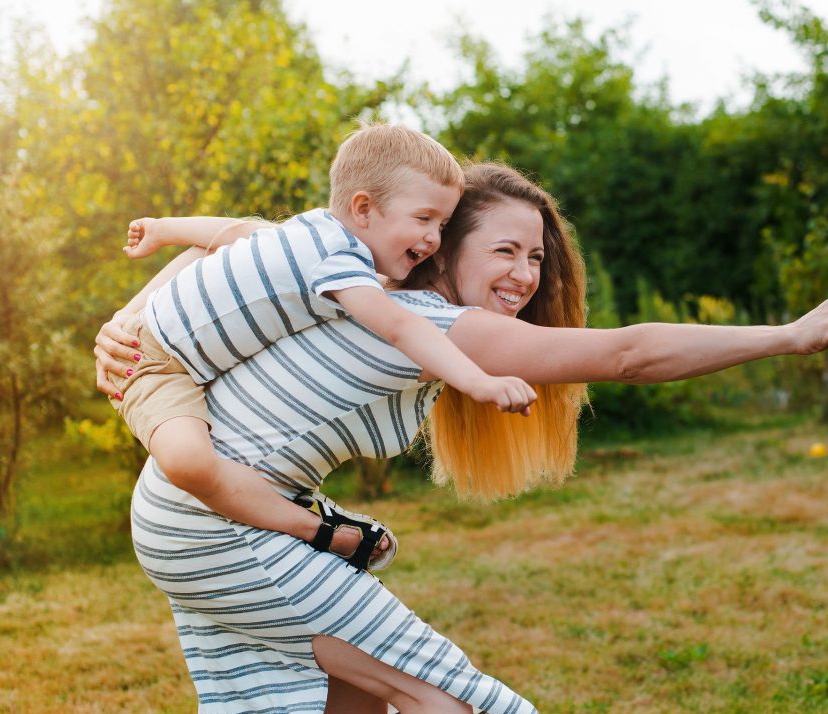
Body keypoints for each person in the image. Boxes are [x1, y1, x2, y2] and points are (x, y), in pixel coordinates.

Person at [96, 162, 828, 714]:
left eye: (536, 257)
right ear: (438, 245)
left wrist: (128, 321)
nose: (526, 275)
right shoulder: (428, 321)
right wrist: (786, 336)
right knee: (451, 704)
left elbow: (240, 243)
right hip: (219, 525)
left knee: (354, 705)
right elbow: (631, 353)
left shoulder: (346, 282)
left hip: (209, 516)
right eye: (505, 251)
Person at [104, 124, 537, 569]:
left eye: (443, 225)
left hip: (178, 358)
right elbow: (400, 327)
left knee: (200, 461)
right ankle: (318, 529)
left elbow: (233, 232)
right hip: (150, 363)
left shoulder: (315, 231)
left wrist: (162, 228)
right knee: (190, 464)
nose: (434, 239)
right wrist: (478, 381)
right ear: (364, 209)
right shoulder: (338, 258)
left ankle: (306, 518)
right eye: (424, 219)